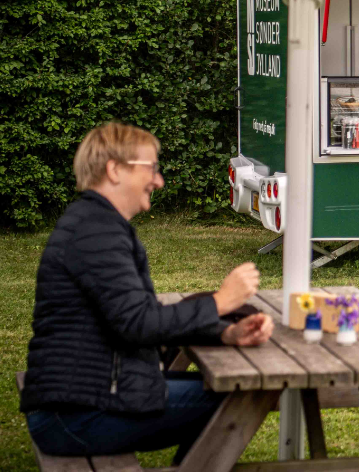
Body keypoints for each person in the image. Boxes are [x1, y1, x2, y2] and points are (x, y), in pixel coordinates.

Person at [20, 121, 273, 464]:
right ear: (114, 170)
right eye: (151, 168)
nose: (159, 180)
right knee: (237, 400)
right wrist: (219, 301)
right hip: (75, 412)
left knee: (229, 393)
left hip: (86, 395)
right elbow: (139, 323)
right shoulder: (96, 232)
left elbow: (141, 314)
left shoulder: (98, 224)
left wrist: (227, 332)